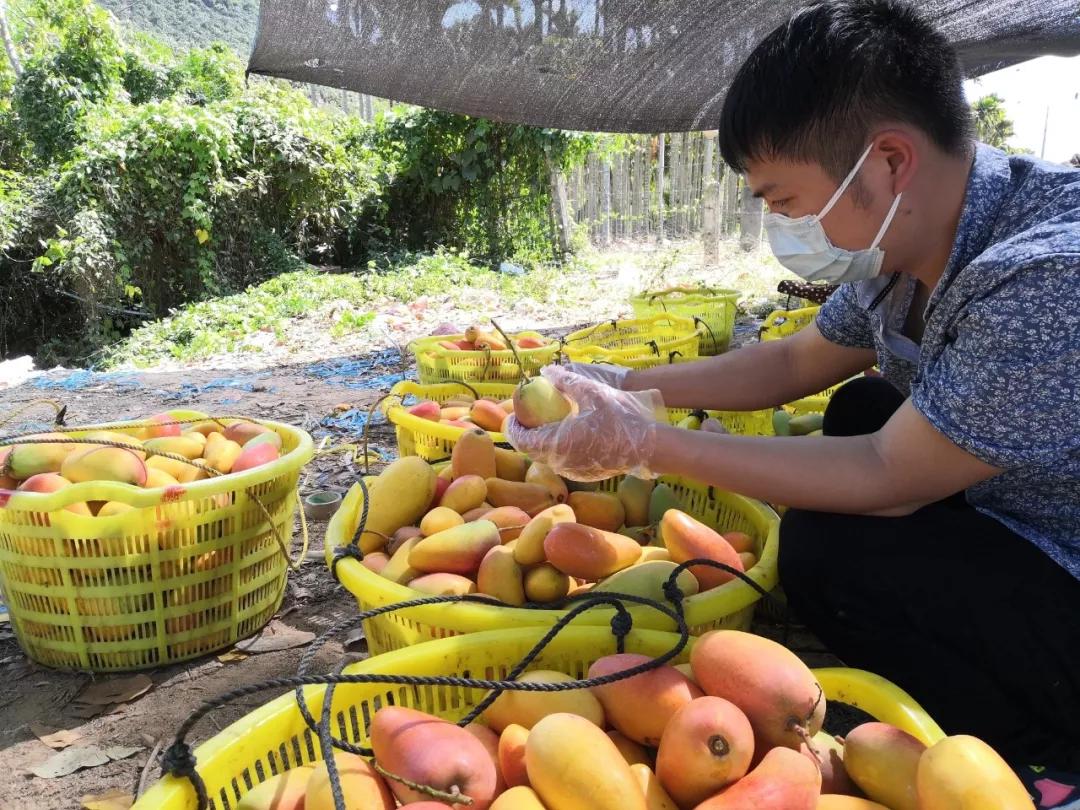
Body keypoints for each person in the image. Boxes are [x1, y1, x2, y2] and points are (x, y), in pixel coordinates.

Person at [507, 0, 1080, 769]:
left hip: (1065, 562)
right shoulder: (910, 239)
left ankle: (1038, 756)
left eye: (784, 201)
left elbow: (888, 476)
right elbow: (791, 363)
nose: (782, 227)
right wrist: (620, 382)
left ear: (888, 162)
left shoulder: (1044, 277)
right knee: (861, 405)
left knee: (824, 551)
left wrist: (646, 442)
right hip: (1019, 505)